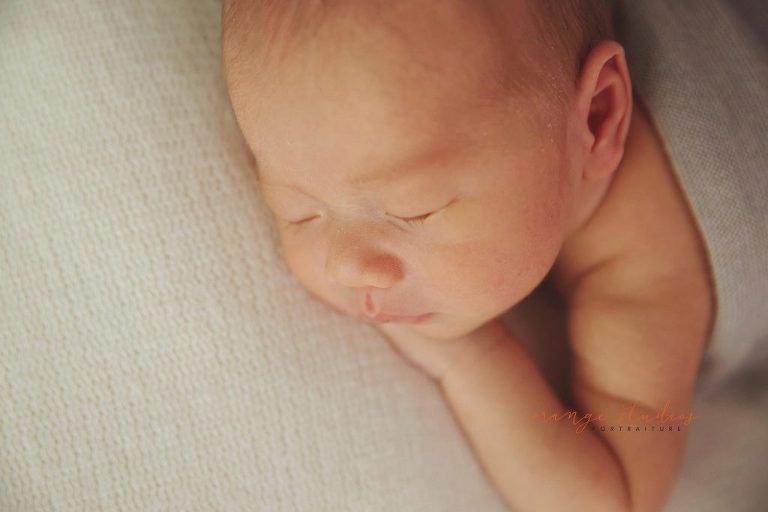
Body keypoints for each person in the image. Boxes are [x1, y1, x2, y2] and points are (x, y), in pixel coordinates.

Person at [219, 1, 766, 509]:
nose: (345, 266)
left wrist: (470, 360)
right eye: (298, 211)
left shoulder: (646, 284)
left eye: (415, 209)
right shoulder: (526, 92)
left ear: (597, 120)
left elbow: (614, 497)